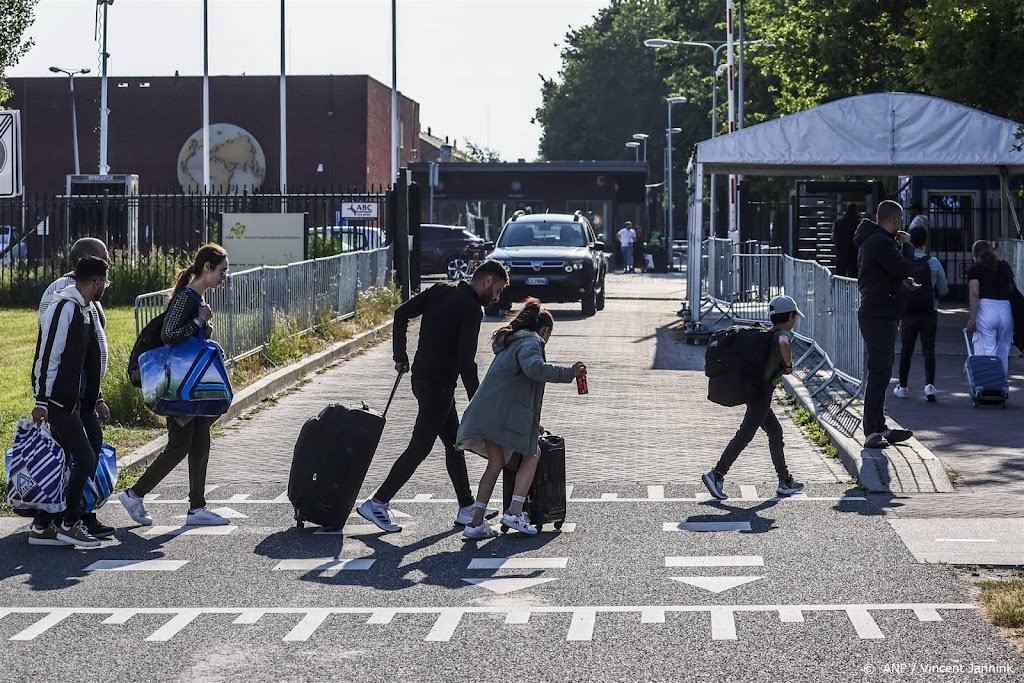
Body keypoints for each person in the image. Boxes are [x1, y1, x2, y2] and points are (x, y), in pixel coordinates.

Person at [357, 260, 510, 532]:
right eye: (497, 290)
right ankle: (378, 502)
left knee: (454, 443)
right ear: (487, 281)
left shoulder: (440, 290)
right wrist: (478, 399)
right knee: (420, 447)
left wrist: (400, 355)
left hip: (423, 379)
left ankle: (466, 507)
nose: (497, 298)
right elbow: (466, 362)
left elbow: (401, 313)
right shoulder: (471, 309)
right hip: (438, 386)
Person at [119, 244, 231, 527]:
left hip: (188, 383)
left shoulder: (195, 298)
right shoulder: (187, 298)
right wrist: (199, 320)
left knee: (200, 435)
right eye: (222, 271)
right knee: (180, 444)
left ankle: (197, 507)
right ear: (206, 267)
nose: (224, 277)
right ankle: (135, 494)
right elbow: (170, 334)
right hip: (178, 383)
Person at [456, 299, 586, 538]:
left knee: (495, 464)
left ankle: (475, 523)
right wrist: (569, 373)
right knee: (533, 453)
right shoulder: (531, 341)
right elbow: (534, 369)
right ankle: (514, 512)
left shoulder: (511, 342)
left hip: (488, 412)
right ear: (545, 331)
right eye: (549, 335)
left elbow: (514, 390)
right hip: (501, 416)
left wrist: (533, 423)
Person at [31, 237, 115, 542]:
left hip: (80, 396)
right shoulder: (65, 301)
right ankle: (69, 519)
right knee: (81, 453)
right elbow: (50, 353)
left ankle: (49, 521)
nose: (107, 282)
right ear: (94, 277)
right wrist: (42, 400)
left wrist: (97, 396)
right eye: (105, 272)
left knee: (79, 451)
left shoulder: (84, 303)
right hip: (62, 398)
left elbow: (87, 354)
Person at [702, 296, 806, 500]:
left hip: (756, 388)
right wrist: (789, 366)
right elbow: (784, 342)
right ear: (791, 317)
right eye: (795, 317)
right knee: (745, 434)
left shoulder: (769, 332)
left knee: (775, 431)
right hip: (762, 393)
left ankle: (785, 481)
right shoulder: (783, 333)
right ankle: (716, 474)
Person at [855, 200, 918, 449]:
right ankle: (871, 431)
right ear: (895, 221)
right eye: (899, 221)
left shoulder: (874, 240)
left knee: (881, 371)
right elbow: (904, 267)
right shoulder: (880, 242)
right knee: (879, 373)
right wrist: (908, 246)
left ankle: (879, 425)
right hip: (878, 314)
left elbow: (884, 274)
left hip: (880, 312)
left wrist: (901, 284)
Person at [894, 226, 948, 403]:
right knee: (928, 349)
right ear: (926, 241)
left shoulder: (903, 261)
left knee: (906, 349)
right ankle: (929, 387)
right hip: (929, 311)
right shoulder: (933, 263)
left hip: (908, 312)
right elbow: (944, 289)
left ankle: (902, 387)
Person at [967, 240, 1015, 375]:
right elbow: (1012, 288)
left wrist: (972, 319)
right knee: (1003, 352)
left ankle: (988, 384)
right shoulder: (1004, 266)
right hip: (1006, 309)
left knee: (986, 351)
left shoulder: (975, 269)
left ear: (974, 255)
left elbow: (975, 294)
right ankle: (1001, 384)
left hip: (986, 310)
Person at [832, 203, 860, 278]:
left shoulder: (838, 222)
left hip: (841, 253)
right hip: (854, 254)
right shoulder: (858, 223)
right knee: (853, 277)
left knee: (839, 278)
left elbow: (834, 237)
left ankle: (838, 290)